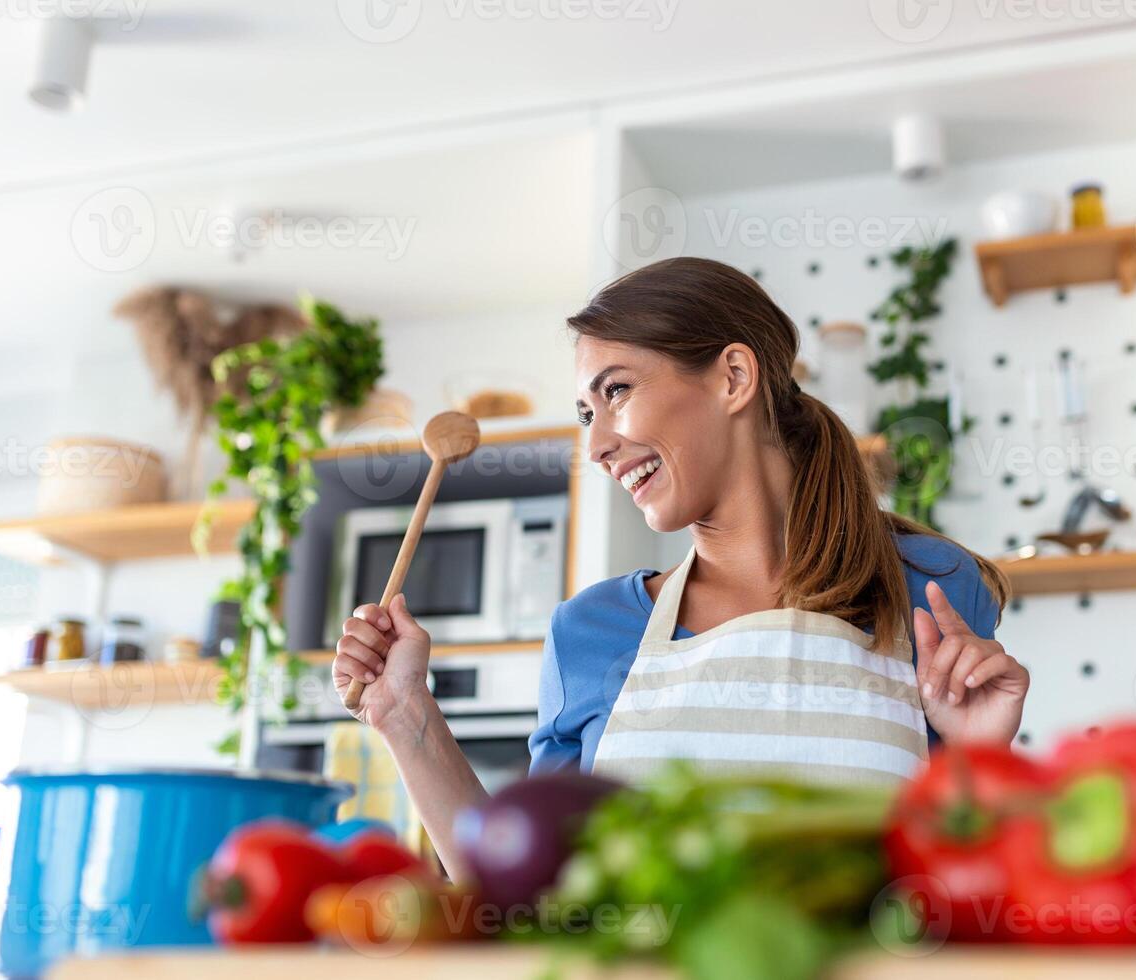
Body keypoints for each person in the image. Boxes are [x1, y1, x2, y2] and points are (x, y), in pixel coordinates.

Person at [332, 257, 1028, 880]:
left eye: (616, 392)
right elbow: (524, 894)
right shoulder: (591, 631)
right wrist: (405, 716)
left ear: (732, 377)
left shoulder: (930, 586)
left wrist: (980, 764)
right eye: (585, 414)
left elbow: (963, 887)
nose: (599, 444)